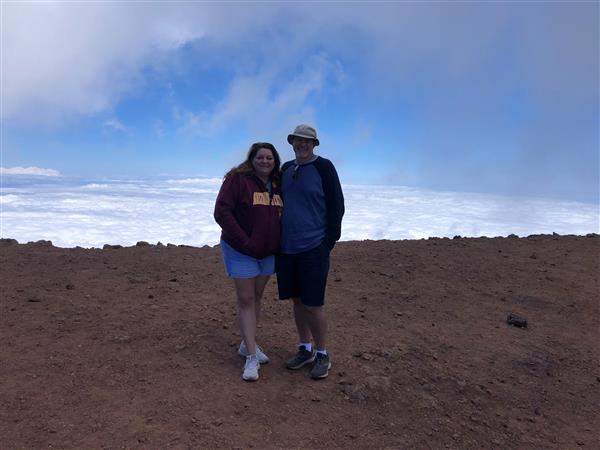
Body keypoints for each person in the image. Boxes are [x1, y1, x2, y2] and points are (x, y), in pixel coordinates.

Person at [276, 124, 344, 380]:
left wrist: (328, 241)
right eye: (298, 140)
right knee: (296, 300)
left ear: (314, 144)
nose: (302, 145)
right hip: (288, 247)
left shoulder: (323, 168)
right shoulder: (286, 169)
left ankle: (323, 353)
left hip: (314, 246)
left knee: (313, 304)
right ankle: (305, 348)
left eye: (307, 141)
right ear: (291, 143)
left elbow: (337, 205)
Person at [214, 142, 283, 381]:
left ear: (275, 161)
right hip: (240, 250)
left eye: (269, 158)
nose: (265, 161)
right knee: (245, 299)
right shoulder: (237, 180)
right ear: (252, 159)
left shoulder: (277, 184)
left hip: (268, 252)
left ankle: (247, 343)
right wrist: (245, 241)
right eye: (260, 157)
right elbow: (222, 212)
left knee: (256, 297)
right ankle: (251, 358)